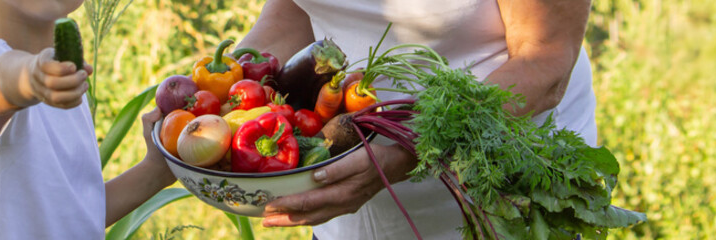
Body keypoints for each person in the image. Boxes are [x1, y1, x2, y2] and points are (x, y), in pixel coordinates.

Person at [238, 0, 596, 239]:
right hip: (349, 215)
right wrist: (207, 106)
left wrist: (408, 153)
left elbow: (544, 60)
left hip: (499, 202)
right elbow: (292, 15)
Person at [0, 0, 173, 238]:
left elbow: (78, 216)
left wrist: (156, 170)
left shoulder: (63, 81)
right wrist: (33, 76)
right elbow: (2, 79)